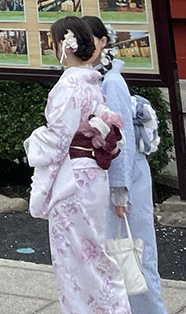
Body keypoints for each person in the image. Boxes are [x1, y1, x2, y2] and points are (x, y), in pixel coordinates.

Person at [25, 15, 130, 313]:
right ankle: (111, 306)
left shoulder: (69, 86)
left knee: (73, 258)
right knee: (93, 251)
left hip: (72, 179)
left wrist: (33, 141)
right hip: (92, 175)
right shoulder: (92, 83)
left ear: (64, 45)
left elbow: (58, 139)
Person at [85, 16, 167, 314]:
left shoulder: (112, 81)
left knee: (135, 253)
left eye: (88, 39)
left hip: (126, 177)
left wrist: (120, 190)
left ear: (103, 41)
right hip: (111, 176)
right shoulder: (93, 77)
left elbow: (123, 140)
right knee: (116, 253)